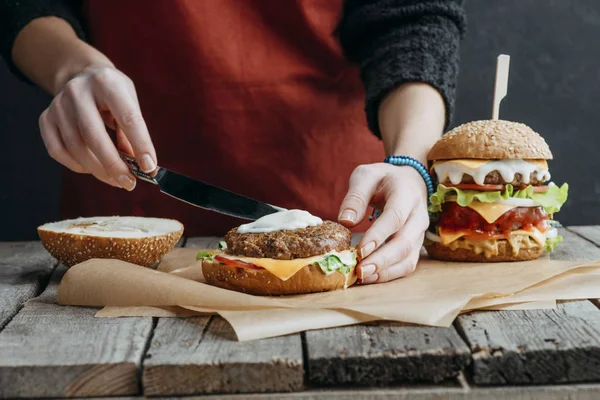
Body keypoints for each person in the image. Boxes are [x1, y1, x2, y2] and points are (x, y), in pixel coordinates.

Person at [0, 0, 466, 284]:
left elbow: (413, 17)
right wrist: (71, 68)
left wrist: (410, 162)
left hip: (339, 194)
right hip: (122, 180)